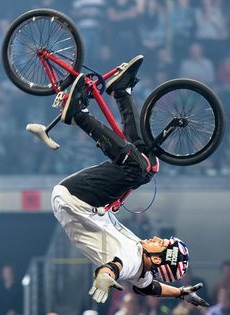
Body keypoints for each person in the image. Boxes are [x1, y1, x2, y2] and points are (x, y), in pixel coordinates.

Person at [50, 55, 208, 306]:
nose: (158, 239)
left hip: (75, 200)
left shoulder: (132, 260)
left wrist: (103, 277)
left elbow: (113, 267)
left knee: (137, 167)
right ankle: (121, 91)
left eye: (163, 244)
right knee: (148, 166)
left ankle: (78, 112)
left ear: (158, 259)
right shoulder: (143, 273)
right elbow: (149, 289)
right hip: (89, 204)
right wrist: (179, 293)